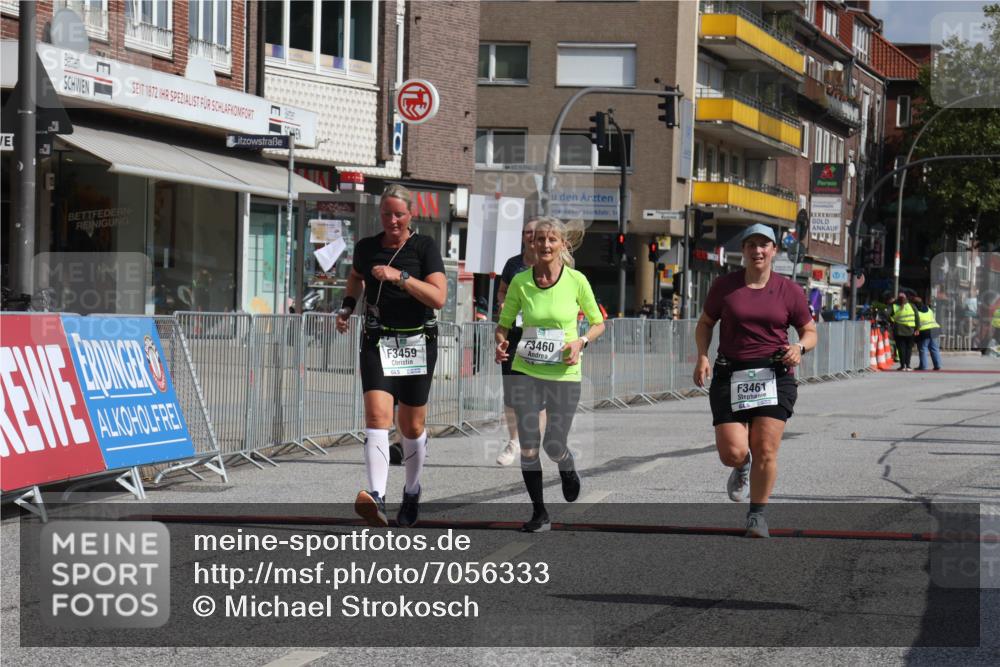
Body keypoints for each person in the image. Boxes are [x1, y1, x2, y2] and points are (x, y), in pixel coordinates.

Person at [693, 224, 817, 539]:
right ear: (744, 250)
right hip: (730, 373)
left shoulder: (789, 290)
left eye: (764, 245)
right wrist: (702, 356)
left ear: (774, 250)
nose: (758, 250)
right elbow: (706, 322)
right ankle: (741, 466)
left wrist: (798, 348)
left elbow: (809, 331)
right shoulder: (725, 286)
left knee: (766, 448)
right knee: (732, 452)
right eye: (751, 245)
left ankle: (756, 516)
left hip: (774, 375)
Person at [336, 184, 447, 528]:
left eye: (399, 214)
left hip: (416, 342)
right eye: (387, 214)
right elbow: (355, 277)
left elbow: (438, 297)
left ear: (411, 214)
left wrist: (400, 277)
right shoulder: (367, 248)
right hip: (377, 340)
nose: (393, 220)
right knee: (376, 418)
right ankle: (378, 497)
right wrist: (347, 306)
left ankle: (412, 491)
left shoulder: (424, 247)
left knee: (411, 426)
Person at [495, 217, 605, 532]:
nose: (544, 245)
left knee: (553, 444)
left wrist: (581, 341)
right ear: (532, 244)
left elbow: (598, 323)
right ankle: (539, 513)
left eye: (551, 240)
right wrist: (501, 345)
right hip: (526, 368)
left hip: (564, 372)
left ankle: (566, 465)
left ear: (562, 245)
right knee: (529, 445)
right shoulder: (520, 282)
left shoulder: (576, 280)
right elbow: (503, 327)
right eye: (539, 239)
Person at [494, 219, 544, 466]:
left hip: (543, 335)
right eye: (526, 232)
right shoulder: (513, 264)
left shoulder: (551, 263)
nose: (530, 236)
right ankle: (514, 441)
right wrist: (503, 303)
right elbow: (502, 290)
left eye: (534, 232)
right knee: (513, 392)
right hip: (515, 334)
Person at [890, 292, 919, 371]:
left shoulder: (894, 306)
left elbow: (887, 315)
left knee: (901, 349)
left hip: (899, 331)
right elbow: (917, 317)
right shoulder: (912, 306)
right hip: (910, 331)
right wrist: (917, 329)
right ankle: (908, 366)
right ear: (906, 298)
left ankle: (902, 366)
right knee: (909, 349)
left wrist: (892, 321)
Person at [912, 296, 942, 371]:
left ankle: (923, 366)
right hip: (935, 329)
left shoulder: (915, 312)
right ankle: (937, 365)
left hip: (924, 332)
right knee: (934, 348)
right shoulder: (929, 309)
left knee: (923, 349)